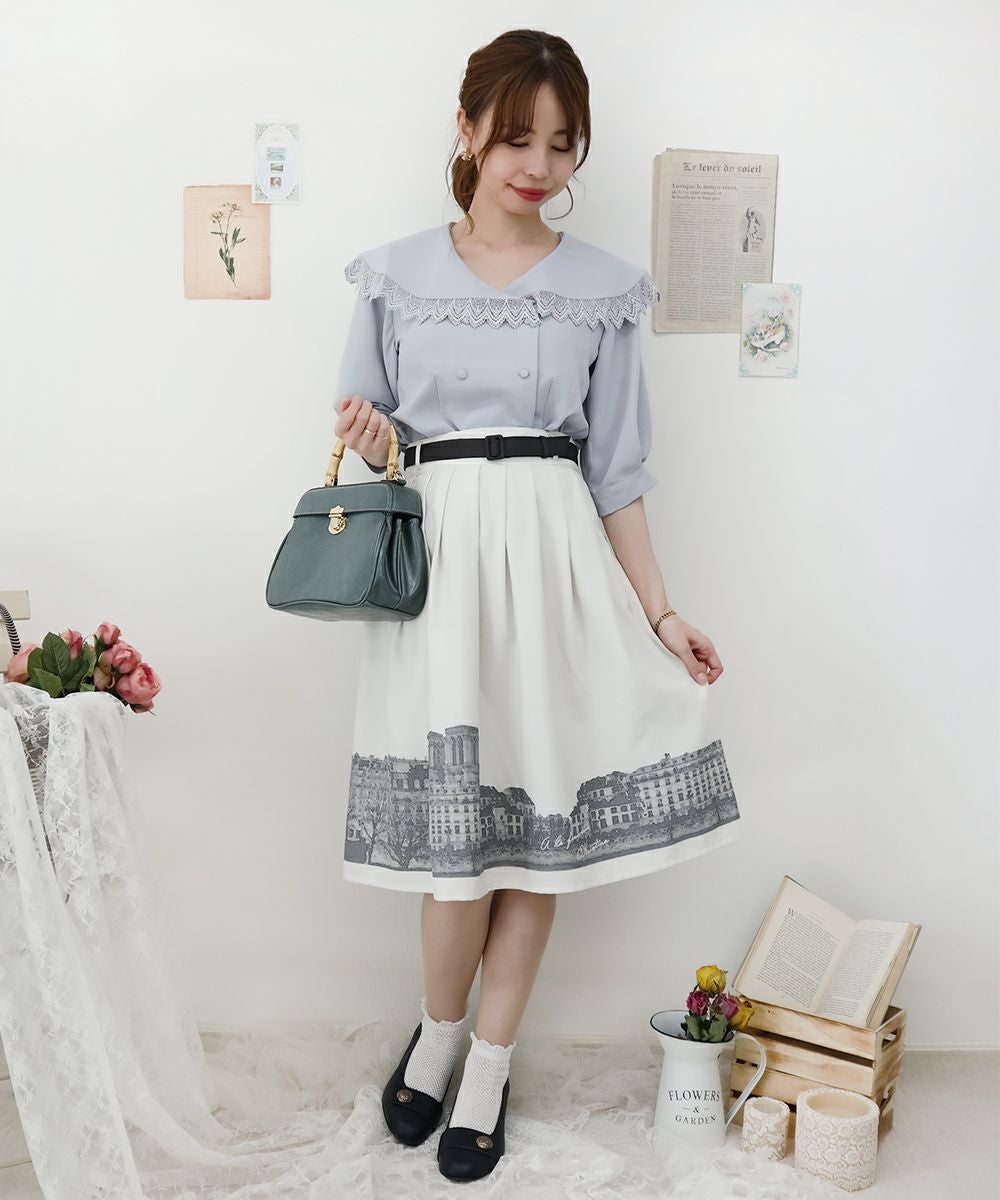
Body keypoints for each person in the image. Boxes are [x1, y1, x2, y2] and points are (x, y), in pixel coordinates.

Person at [331, 28, 743, 1183]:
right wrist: (371, 443)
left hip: (557, 570)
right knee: (451, 846)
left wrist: (659, 613)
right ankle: (440, 1031)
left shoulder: (603, 290)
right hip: (441, 577)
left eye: (562, 145)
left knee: (534, 842)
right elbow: (378, 450)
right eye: (516, 137)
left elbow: (616, 473)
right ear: (466, 131)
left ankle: (490, 1065)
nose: (538, 165)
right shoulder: (392, 275)